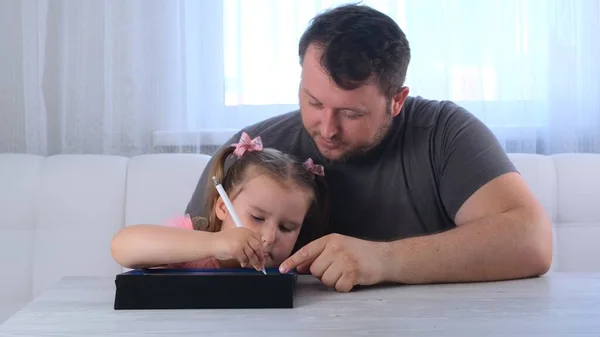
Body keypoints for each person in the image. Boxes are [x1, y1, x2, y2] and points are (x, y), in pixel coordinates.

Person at [186, 4, 553, 292]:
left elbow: (532, 241)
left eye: (350, 113)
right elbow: (178, 262)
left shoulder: (444, 133)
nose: (327, 128)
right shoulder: (254, 151)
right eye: (313, 102)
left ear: (397, 101)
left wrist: (385, 260)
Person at [111, 132, 329, 271]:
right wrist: (215, 244)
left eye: (287, 227)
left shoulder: (290, 266)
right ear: (223, 207)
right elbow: (122, 246)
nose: (270, 237)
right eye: (257, 217)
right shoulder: (192, 241)